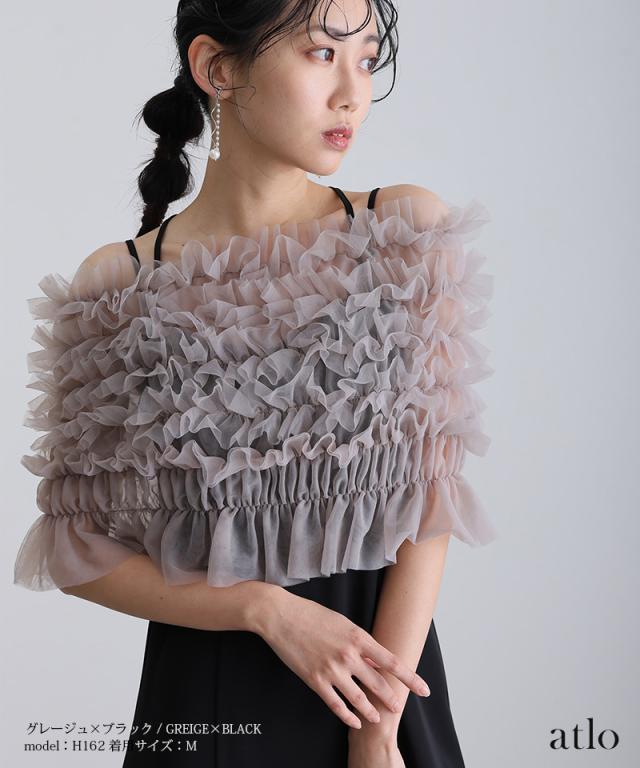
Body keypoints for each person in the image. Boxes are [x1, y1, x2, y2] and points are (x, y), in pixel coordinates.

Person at [13, 1, 498, 766]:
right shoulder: (119, 284)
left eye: (367, 60)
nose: (353, 93)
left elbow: (428, 497)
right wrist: (264, 610)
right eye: (322, 54)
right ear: (217, 67)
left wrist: (377, 729)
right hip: (204, 709)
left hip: (380, 697)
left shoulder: (401, 234)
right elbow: (79, 551)